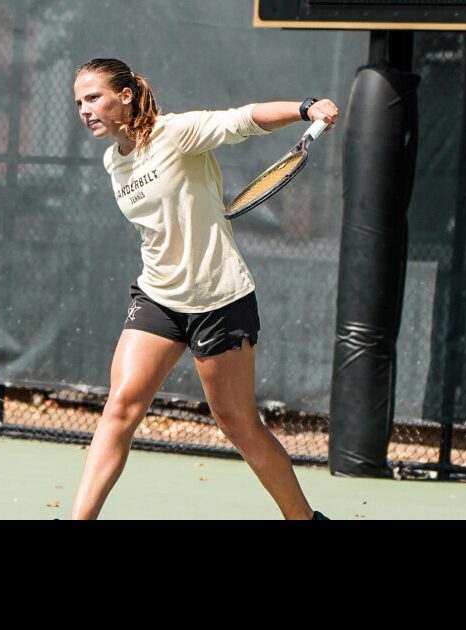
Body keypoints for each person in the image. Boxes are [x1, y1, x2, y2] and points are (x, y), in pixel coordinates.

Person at [70, 58, 339, 520]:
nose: (85, 109)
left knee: (239, 424)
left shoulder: (176, 133)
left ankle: (304, 519)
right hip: (157, 296)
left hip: (218, 300)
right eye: (78, 102)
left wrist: (305, 107)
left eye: (93, 97)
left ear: (127, 95)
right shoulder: (114, 159)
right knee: (120, 408)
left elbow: (243, 119)